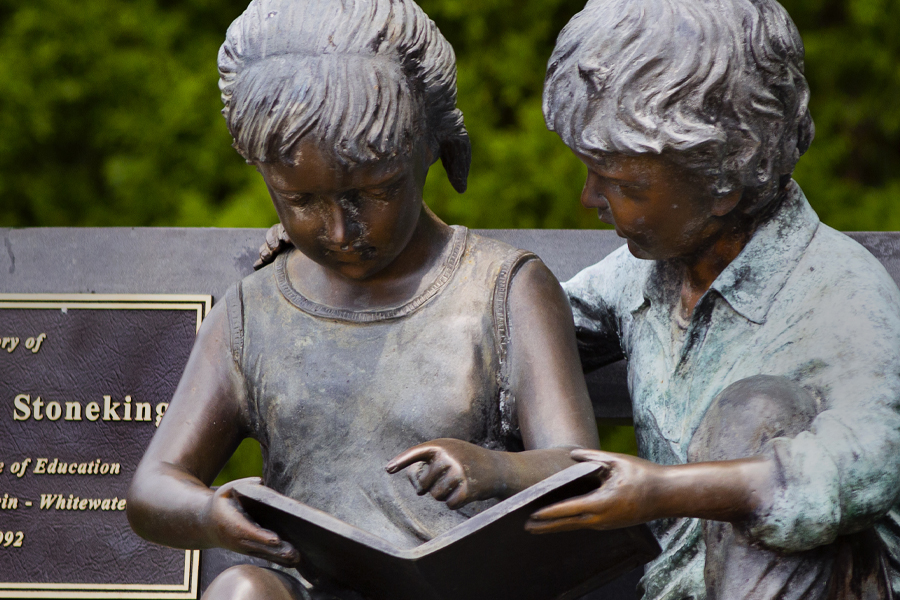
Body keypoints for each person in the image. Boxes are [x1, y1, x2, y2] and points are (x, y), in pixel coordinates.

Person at [125, 1, 599, 599]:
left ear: (433, 146)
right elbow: (153, 488)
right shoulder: (254, 311)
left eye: (376, 192)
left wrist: (501, 470)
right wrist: (212, 514)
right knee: (242, 591)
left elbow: (583, 470)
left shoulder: (503, 289)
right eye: (301, 202)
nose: (342, 232)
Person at [525, 0, 900, 598]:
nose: (588, 198)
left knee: (755, 412)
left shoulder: (840, 293)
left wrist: (664, 490)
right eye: (592, 173)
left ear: (724, 177)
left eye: (622, 184)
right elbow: (531, 323)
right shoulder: (642, 275)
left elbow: (872, 462)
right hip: (664, 587)